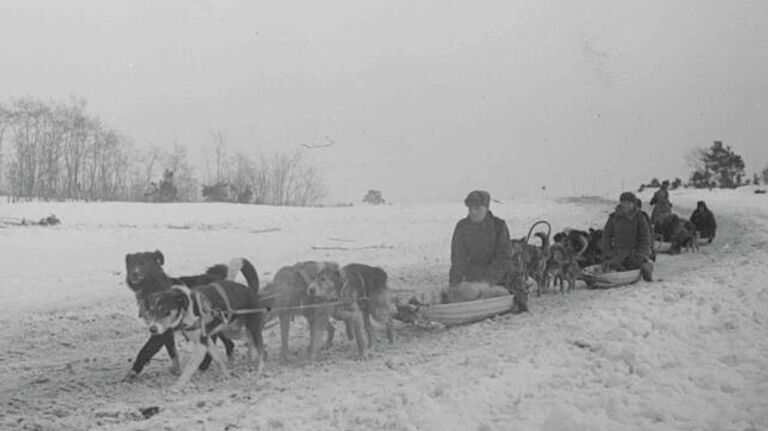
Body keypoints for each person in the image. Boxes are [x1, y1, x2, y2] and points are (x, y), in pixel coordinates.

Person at [449, 190, 528, 311]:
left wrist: (486, 282)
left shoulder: (499, 226)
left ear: (486, 208)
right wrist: (453, 284)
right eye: (470, 209)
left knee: (498, 293)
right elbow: (458, 259)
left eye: (477, 208)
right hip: (474, 276)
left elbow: (503, 258)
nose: (473, 212)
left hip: (501, 277)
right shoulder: (462, 227)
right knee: (465, 293)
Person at [601, 192, 654, 281]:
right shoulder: (614, 217)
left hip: (635, 253)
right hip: (618, 253)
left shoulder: (640, 218)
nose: (625, 205)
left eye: (628, 203)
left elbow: (645, 238)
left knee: (638, 265)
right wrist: (608, 251)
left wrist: (642, 253)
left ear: (634, 204)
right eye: (623, 202)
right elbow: (606, 236)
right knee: (609, 265)